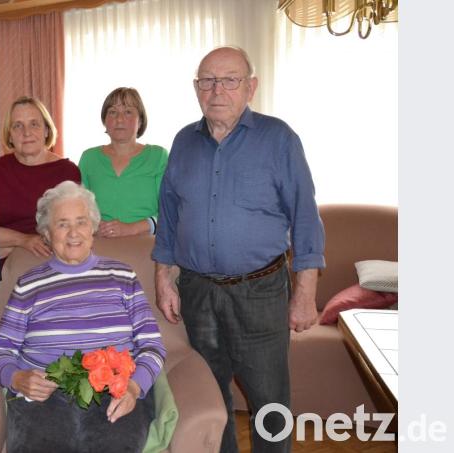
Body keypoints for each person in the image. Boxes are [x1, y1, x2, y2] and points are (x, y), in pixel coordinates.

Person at [151, 46, 325, 453]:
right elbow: (170, 216)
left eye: (229, 79)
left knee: (269, 401)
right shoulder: (183, 142)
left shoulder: (278, 138)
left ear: (251, 86)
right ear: (196, 88)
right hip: (198, 290)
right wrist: (163, 277)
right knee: (211, 396)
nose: (217, 90)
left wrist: (305, 292)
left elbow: (305, 216)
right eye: (207, 80)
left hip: (259, 292)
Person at [0, 181, 166, 453]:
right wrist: (16, 378)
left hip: (114, 391)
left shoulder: (123, 276)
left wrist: (133, 388)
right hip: (43, 395)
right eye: (62, 224)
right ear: (47, 233)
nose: (73, 233)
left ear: (93, 227)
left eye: (81, 222)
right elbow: (0, 351)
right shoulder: (28, 285)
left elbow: (152, 346)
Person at [0, 96, 81, 262]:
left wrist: (12, 246)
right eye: (18, 126)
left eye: (34, 124)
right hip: (4, 265)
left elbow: (72, 230)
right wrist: (23, 241)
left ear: (46, 130)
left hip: (53, 260)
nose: (26, 132)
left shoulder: (67, 172)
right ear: (10, 135)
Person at [78, 87, 168, 238]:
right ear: (104, 120)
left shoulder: (158, 156)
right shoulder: (89, 158)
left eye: (128, 112)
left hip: (146, 246)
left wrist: (131, 228)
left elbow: (170, 212)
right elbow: (78, 209)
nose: (119, 119)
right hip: (98, 245)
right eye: (112, 112)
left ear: (140, 120)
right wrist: (92, 226)